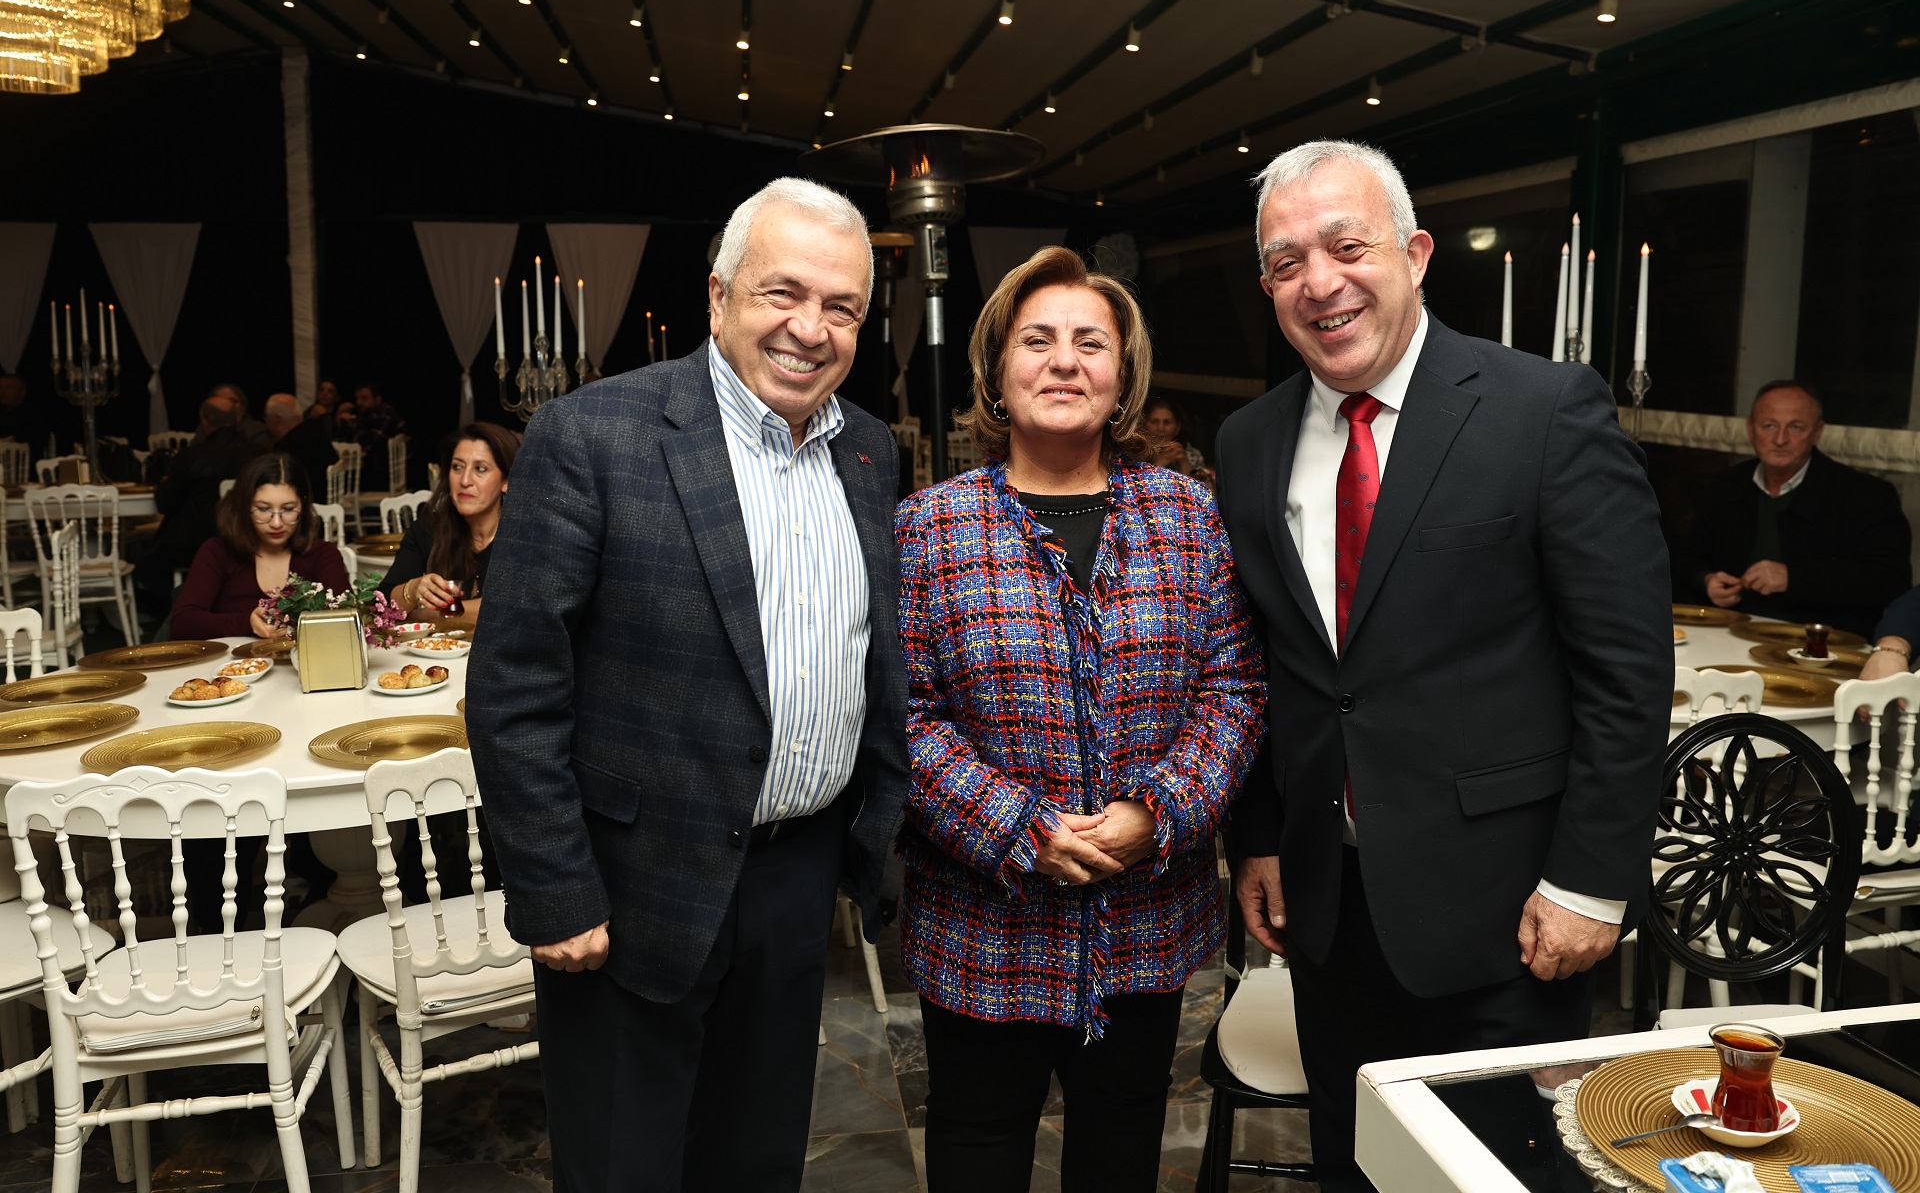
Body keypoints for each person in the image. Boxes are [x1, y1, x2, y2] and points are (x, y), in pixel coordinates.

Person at [1213, 140, 1671, 1192]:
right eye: (1286, 262)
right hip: (1331, 915)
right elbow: (1270, 662)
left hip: (1508, 915)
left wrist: (1590, 882)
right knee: (1360, 1169)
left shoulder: (1544, 410)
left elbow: (1627, 669)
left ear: (1415, 254)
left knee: (1493, 1176)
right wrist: (1262, 834)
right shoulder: (1249, 441)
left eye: (1347, 246)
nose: (1319, 282)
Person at [466, 176, 909, 1193]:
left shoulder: (870, 449)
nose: (811, 328)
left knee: (757, 1163)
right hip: (631, 893)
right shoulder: (595, 435)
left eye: (841, 307)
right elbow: (515, 686)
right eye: (782, 292)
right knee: (624, 1168)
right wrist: (555, 890)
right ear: (719, 295)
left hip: (796, 881)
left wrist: (872, 830)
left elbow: (870, 653)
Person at [895, 247, 1263, 1191]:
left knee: (1121, 1147)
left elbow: (1232, 688)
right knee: (977, 1147)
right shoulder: (929, 527)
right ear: (996, 372)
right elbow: (904, 714)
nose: (1065, 361)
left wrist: (1158, 812)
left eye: (1091, 342)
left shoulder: (1189, 517)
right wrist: (1020, 828)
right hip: (984, 925)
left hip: (1145, 920)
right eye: (1038, 340)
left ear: (1123, 375)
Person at [1673, 380, 1909, 638]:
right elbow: (1681, 555)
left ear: (1817, 433)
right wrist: (1705, 579)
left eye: (1795, 427)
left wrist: (1793, 578)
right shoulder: (1727, 485)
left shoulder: (1864, 494)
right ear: (1751, 430)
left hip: (1823, 645)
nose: (1780, 439)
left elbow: (1889, 581)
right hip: (1727, 636)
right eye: (1769, 426)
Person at [170, 451, 349, 641]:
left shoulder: (322, 554)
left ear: (303, 505)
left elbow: (348, 621)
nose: (276, 523)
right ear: (245, 505)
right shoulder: (217, 552)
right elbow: (183, 623)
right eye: (263, 509)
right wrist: (247, 623)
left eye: (288, 509)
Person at [377, 423, 516, 623]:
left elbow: (509, 611)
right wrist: (412, 590)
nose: (465, 480)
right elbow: (380, 607)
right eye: (457, 467)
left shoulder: (524, 536)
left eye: (480, 469)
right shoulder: (427, 529)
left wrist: (423, 614)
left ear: (507, 482)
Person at [135, 396, 265, 606]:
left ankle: (186, 604)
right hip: (247, 538)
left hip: (192, 543)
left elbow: (165, 503)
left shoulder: (191, 456)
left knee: (141, 566)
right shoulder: (259, 455)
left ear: (204, 420)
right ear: (237, 419)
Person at [265, 392, 337, 493]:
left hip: (312, 498)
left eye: (266, 416)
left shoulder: (288, 448)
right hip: (330, 492)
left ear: (274, 419)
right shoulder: (315, 429)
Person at [344, 380, 407, 490]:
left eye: (364, 398)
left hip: (387, 476)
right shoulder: (366, 415)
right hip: (376, 472)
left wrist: (351, 423)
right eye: (357, 398)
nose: (359, 402)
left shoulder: (386, 414)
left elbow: (367, 445)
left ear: (377, 399)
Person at [210, 381, 274, 449]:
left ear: (243, 406)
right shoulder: (206, 431)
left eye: (233, 401)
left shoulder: (258, 432)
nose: (228, 406)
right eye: (221, 402)